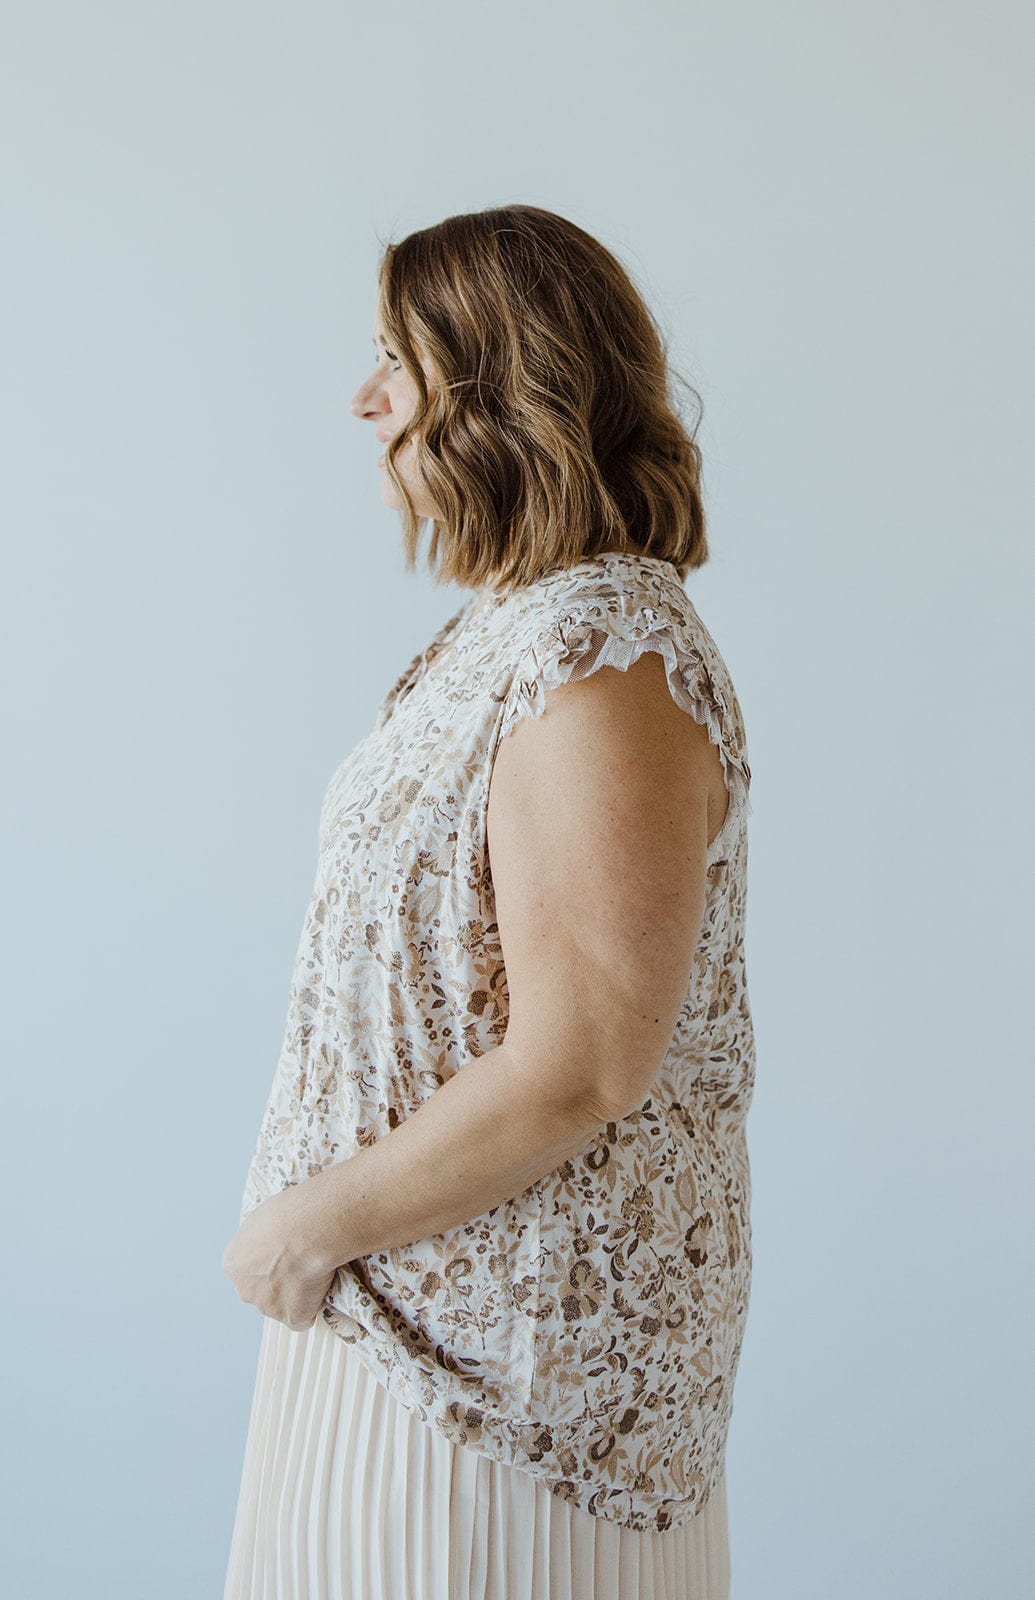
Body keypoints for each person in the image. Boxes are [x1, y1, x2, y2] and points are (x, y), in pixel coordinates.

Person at [221, 204, 754, 1600]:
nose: (366, 395)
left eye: (399, 357)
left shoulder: (602, 660)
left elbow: (583, 1066)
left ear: (496, 384)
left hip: (507, 1403)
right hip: (410, 1336)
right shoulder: (518, 633)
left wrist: (308, 1225)